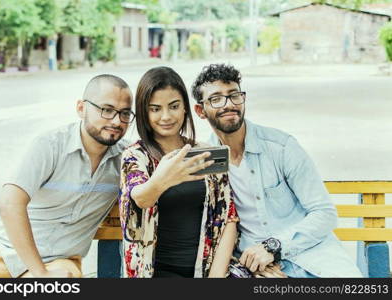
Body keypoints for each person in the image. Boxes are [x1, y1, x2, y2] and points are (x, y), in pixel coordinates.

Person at [0, 74, 134, 278]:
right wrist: (40, 274)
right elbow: (9, 204)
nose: (117, 121)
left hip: (60, 261)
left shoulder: (127, 161)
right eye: (107, 110)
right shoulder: (50, 146)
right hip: (0, 251)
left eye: (125, 113)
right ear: (81, 108)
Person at [191, 63, 363, 278]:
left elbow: (325, 213)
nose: (229, 104)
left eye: (234, 95)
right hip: (254, 266)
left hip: (313, 257)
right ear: (200, 110)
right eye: (216, 98)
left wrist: (274, 248)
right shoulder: (208, 161)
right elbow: (220, 228)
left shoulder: (281, 147)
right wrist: (246, 264)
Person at [118, 66, 240, 278]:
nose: (166, 116)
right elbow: (139, 197)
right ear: (144, 112)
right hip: (156, 272)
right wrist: (165, 179)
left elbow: (228, 215)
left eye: (173, 106)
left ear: (185, 107)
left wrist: (216, 278)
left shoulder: (204, 153)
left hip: (207, 270)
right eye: (155, 109)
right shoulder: (136, 155)